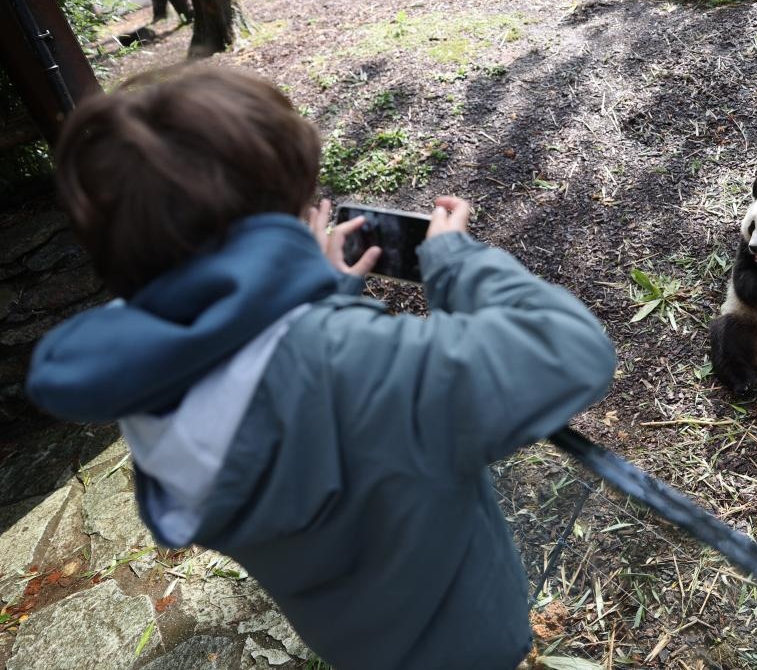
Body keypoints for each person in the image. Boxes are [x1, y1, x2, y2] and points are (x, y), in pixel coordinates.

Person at [26, 66, 616, 670]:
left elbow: (266, 373)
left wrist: (314, 293)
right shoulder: (351, 365)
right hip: (470, 638)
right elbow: (571, 349)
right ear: (277, 216)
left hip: (354, 639)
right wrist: (454, 260)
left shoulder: (142, 373)